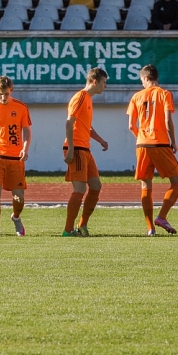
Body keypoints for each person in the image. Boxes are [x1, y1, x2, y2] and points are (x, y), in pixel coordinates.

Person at [127, 65, 178, 236]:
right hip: (160, 143)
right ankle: (162, 217)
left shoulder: (136, 96)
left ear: (145, 78)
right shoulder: (165, 94)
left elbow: (131, 125)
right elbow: (167, 121)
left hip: (142, 145)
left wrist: (141, 137)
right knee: (176, 182)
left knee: (146, 185)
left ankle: (150, 228)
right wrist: (173, 141)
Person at [0, 76, 32, 237]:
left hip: (15, 158)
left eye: (6, 94)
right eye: (0, 94)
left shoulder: (21, 108)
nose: (3, 97)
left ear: (11, 91)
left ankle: (16, 217)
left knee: (19, 197)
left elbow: (27, 130)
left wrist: (25, 148)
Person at [62, 68, 109, 237]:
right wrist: (71, 149)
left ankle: (82, 225)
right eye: (104, 82)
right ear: (94, 82)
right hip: (77, 148)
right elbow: (69, 123)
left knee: (96, 186)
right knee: (80, 189)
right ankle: (68, 230)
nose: (105, 86)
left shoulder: (88, 99)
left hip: (85, 148)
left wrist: (100, 140)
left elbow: (85, 127)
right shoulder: (81, 96)